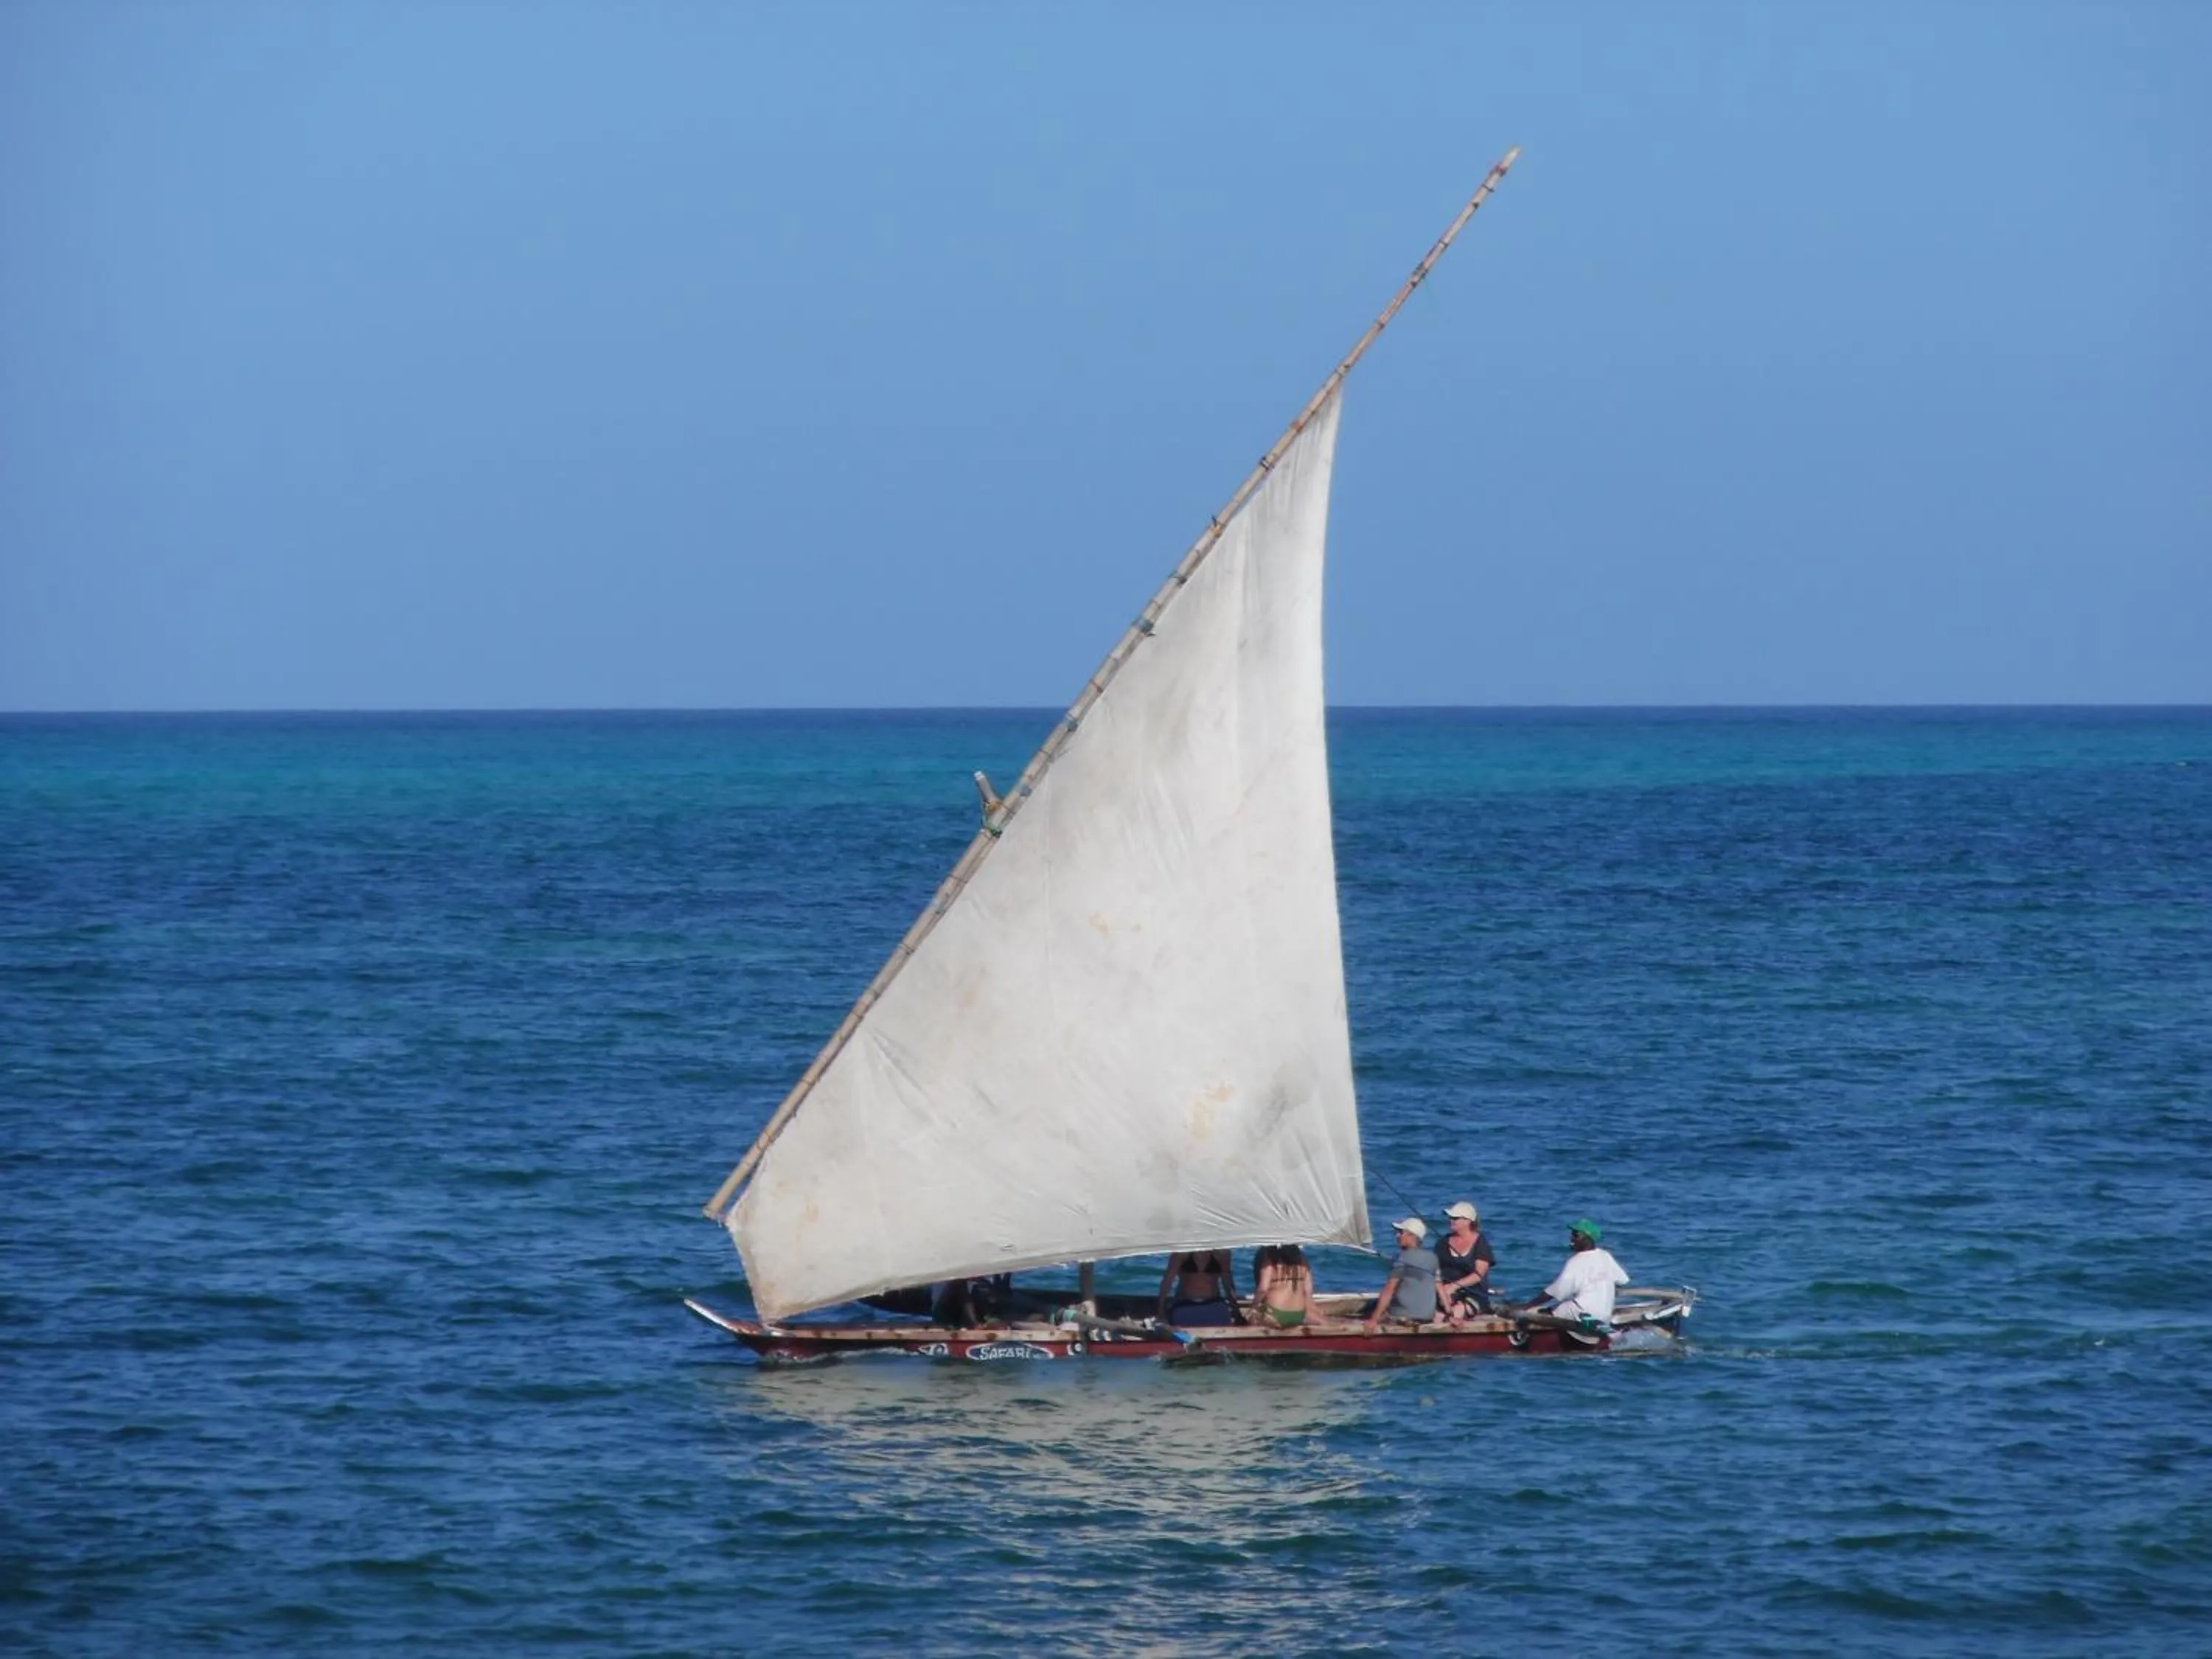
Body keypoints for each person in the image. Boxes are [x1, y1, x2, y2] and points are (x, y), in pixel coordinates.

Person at [1520, 1219, 1630, 1328]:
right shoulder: (1605, 1256)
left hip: (1582, 1312)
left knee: (1542, 1313)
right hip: (1605, 1314)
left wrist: (1528, 1305)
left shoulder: (1576, 1261)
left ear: (1588, 1238)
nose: (1571, 1238)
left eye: (1576, 1235)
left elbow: (1557, 1291)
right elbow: (1622, 1280)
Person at [1364, 1217, 1440, 1331]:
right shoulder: (1433, 1257)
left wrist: (1374, 1320)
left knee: (1370, 1312)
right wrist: (1450, 1314)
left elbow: (1389, 1289)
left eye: (1401, 1233)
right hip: (1428, 1317)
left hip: (1404, 1316)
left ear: (1412, 1236)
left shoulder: (1402, 1258)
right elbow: (1439, 1286)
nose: (1397, 1236)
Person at [1433, 1200, 1495, 1320]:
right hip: (1445, 1293)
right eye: (1451, 1217)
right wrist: (1442, 1290)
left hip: (1473, 1294)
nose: (1452, 1220)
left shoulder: (1480, 1242)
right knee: (1437, 1316)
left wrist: (1454, 1286)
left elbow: (1478, 1275)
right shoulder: (1442, 1243)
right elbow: (1435, 1271)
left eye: (1456, 1218)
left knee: (1457, 1312)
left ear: (1468, 1221)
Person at [1158, 1249, 1242, 1327]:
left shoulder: (1222, 1254)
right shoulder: (1181, 1254)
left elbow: (1227, 1283)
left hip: (1213, 1303)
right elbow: (1167, 1282)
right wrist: (1161, 1312)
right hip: (1185, 1304)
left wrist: (1236, 1311)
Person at [1252, 1244, 1318, 1329]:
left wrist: (1254, 1306)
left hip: (1275, 1313)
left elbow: (1263, 1289)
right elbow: (1308, 1290)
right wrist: (1311, 1308)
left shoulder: (1271, 1261)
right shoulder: (1302, 1260)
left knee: (1252, 1318)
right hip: (1299, 1314)